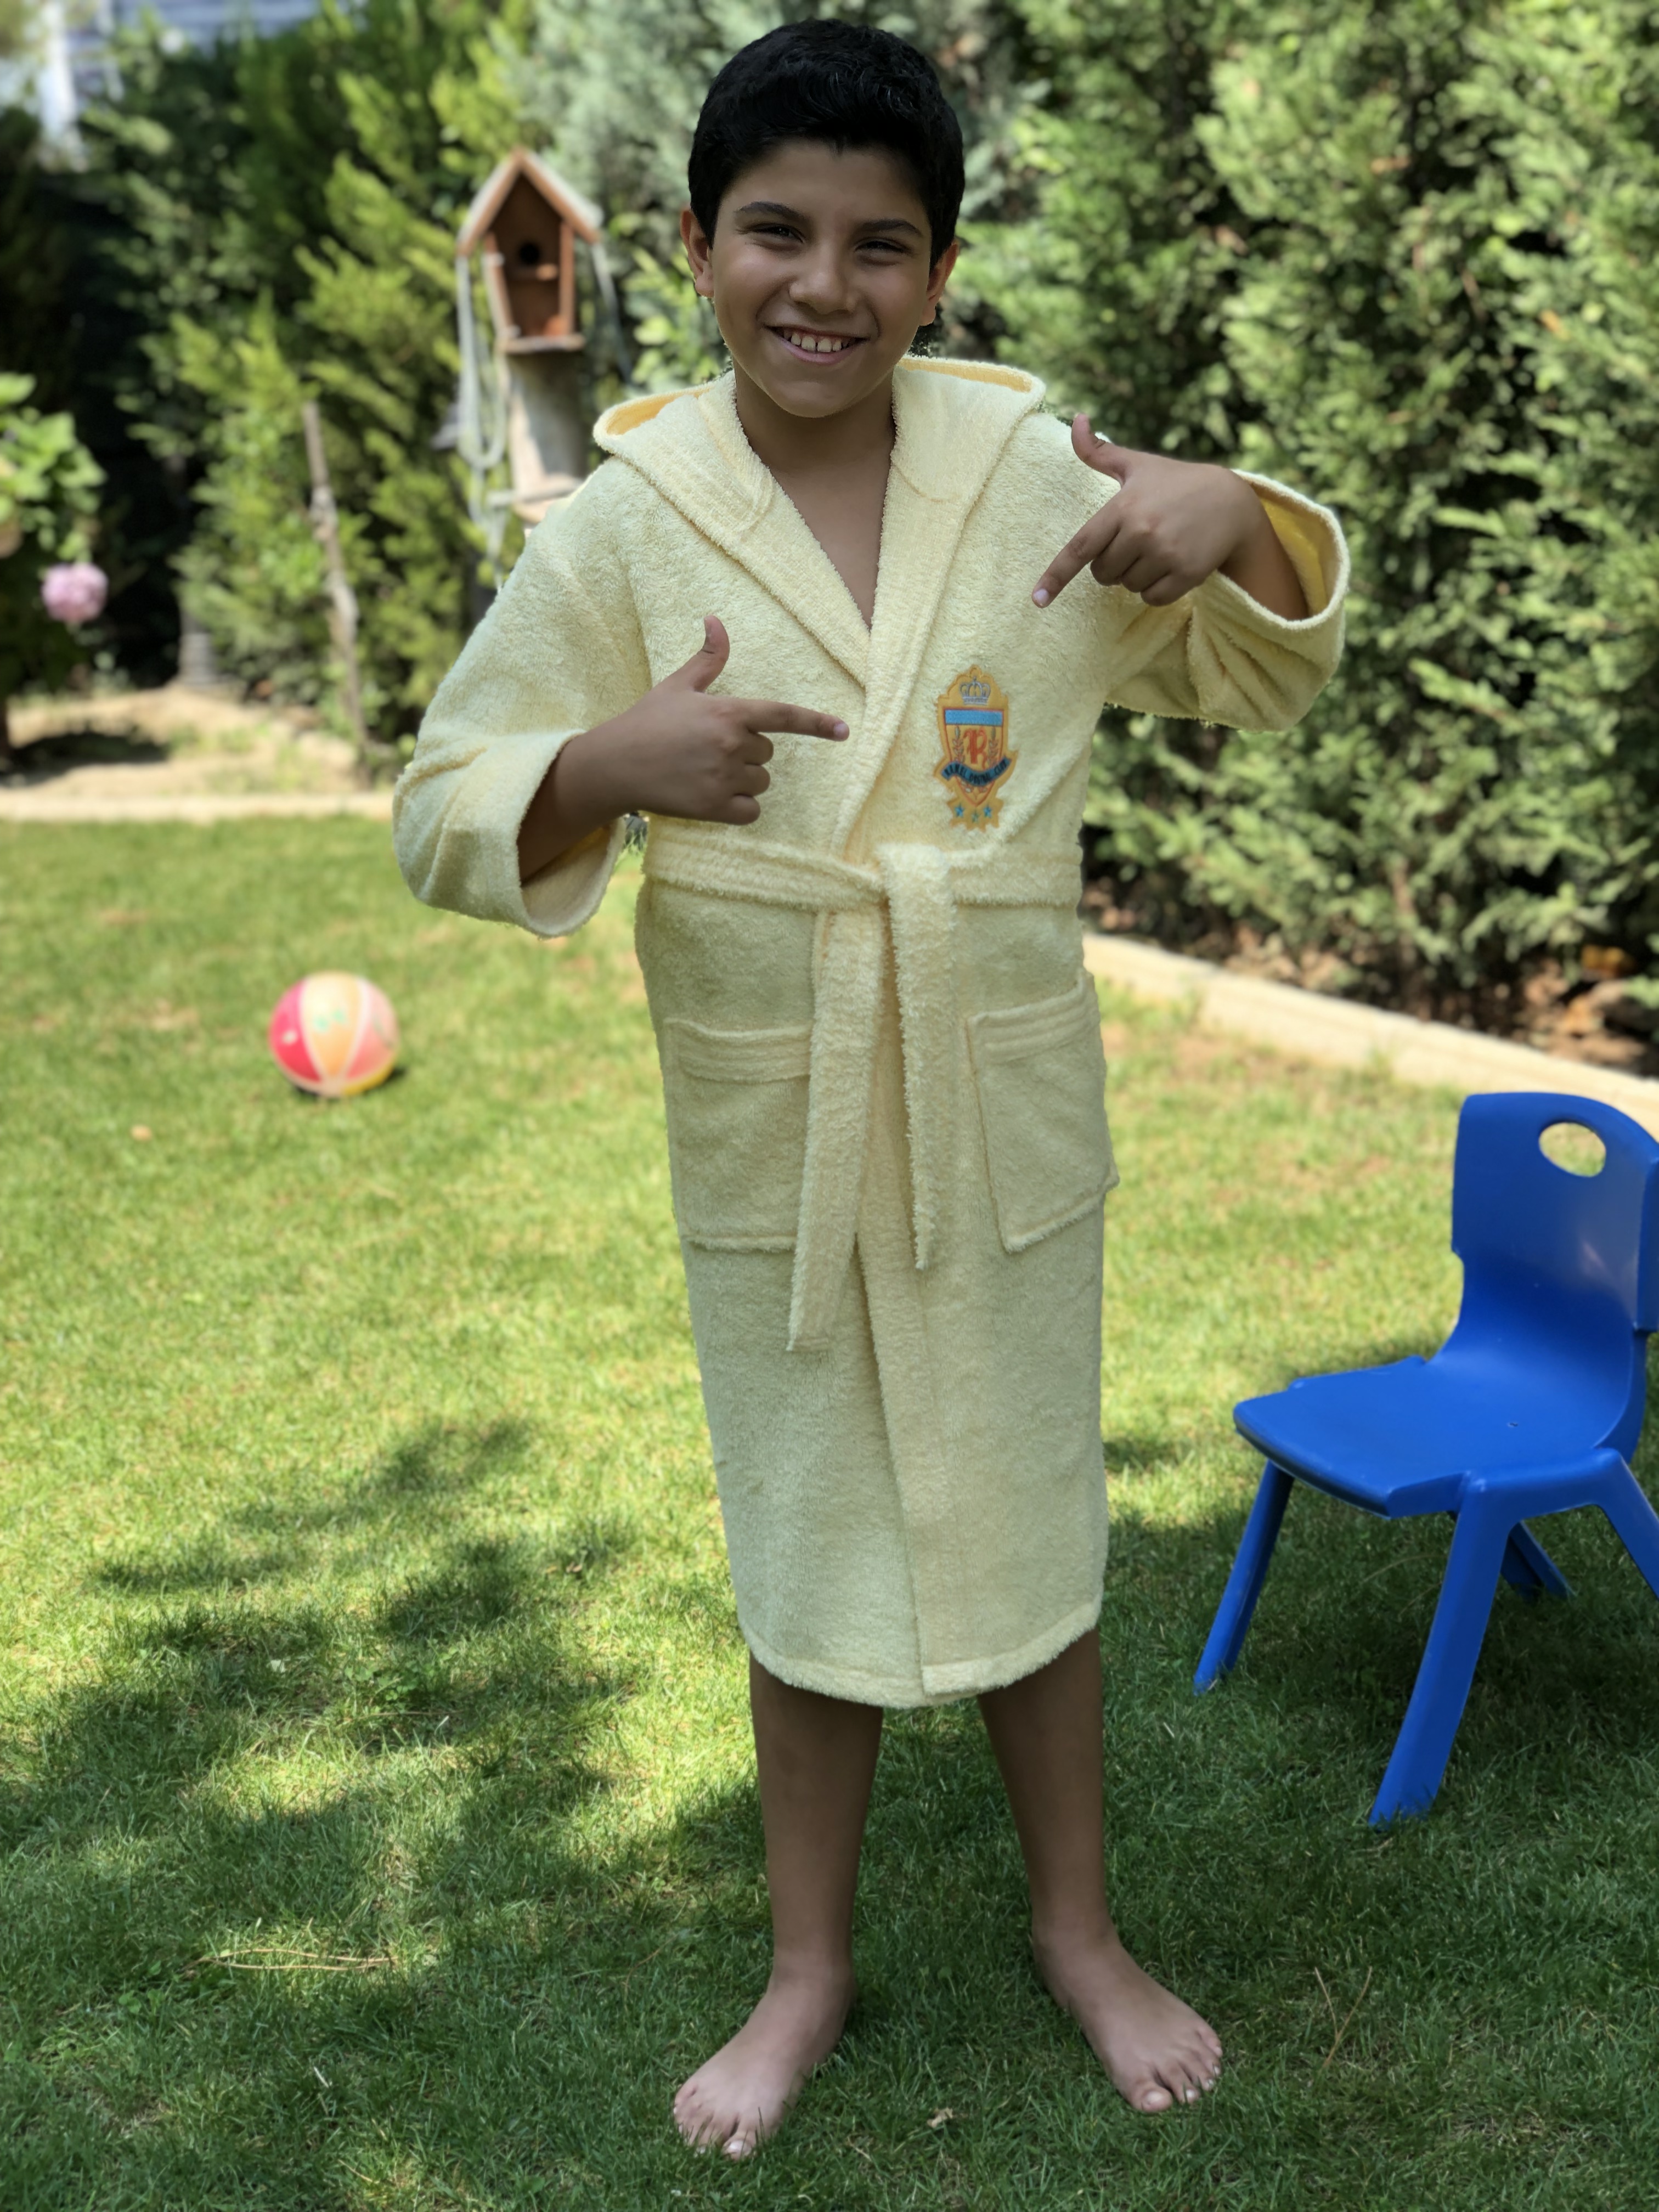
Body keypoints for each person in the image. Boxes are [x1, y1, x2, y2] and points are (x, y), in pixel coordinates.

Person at [394, 18, 1348, 2160]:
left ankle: (1081, 1931)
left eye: (879, 244)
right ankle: (805, 1966)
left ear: (938, 273)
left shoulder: (1028, 475)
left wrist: (1241, 520)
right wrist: (599, 766)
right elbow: (438, 799)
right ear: (691, 246)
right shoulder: (629, 528)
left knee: (1033, 1514)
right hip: (779, 1117)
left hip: (997, 1103)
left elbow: (1261, 667)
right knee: (810, 1533)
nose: (823, 285)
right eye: (776, 233)